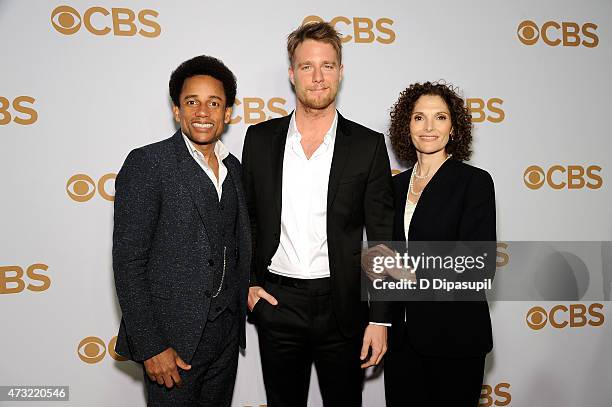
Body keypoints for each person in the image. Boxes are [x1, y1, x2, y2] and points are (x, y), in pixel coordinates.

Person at [241, 21, 394, 407]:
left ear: (340, 72)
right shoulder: (259, 140)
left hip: (342, 306)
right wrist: (247, 285)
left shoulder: (367, 145)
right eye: (307, 66)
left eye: (327, 65)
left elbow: (382, 235)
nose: (318, 76)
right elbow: (246, 222)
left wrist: (381, 318)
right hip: (277, 304)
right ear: (292, 74)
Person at [112, 55, 251, 407]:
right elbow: (129, 262)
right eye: (192, 102)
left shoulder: (233, 168)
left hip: (224, 338)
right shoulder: (148, 163)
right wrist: (151, 345)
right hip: (171, 345)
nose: (203, 112)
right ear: (177, 110)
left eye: (214, 103)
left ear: (228, 113)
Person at [384, 81, 496, 406]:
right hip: (401, 343)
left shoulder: (473, 183)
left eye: (440, 117)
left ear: (454, 129)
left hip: (456, 339)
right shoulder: (392, 187)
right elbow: (379, 259)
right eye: (419, 117)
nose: (429, 127)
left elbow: (477, 265)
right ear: (407, 127)